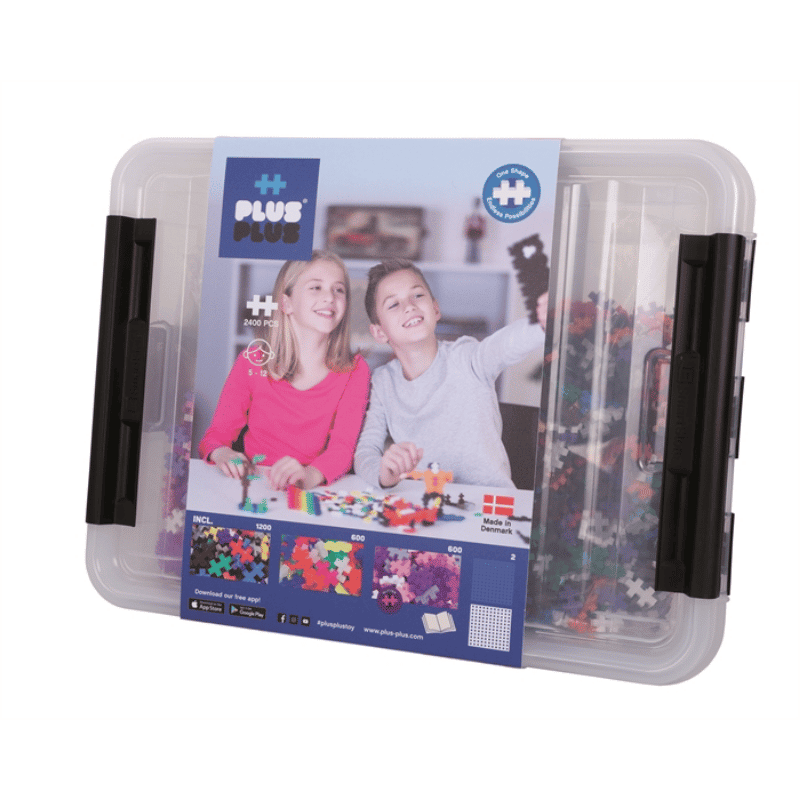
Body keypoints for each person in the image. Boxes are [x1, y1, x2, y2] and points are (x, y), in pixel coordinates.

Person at [354, 259, 544, 490]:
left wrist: (540, 322)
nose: (409, 306)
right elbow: (366, 451)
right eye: (393, 304)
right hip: (427, 502)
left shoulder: (468, 357)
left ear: (435, 309)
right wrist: (383, 473)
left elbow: (504, 345)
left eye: (417, 295)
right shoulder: (383, 382)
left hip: (489, 502)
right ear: (379, 332)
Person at [200, 251, 370, 491]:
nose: (330, 297)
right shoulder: (253, 361)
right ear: (286, 303)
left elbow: (343, 449)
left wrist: (308, 476)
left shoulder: (355, 369)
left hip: (312, 491)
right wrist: (222, 454)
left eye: (338, 290)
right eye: (316, 287)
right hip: (253, 488)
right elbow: (215, 437)